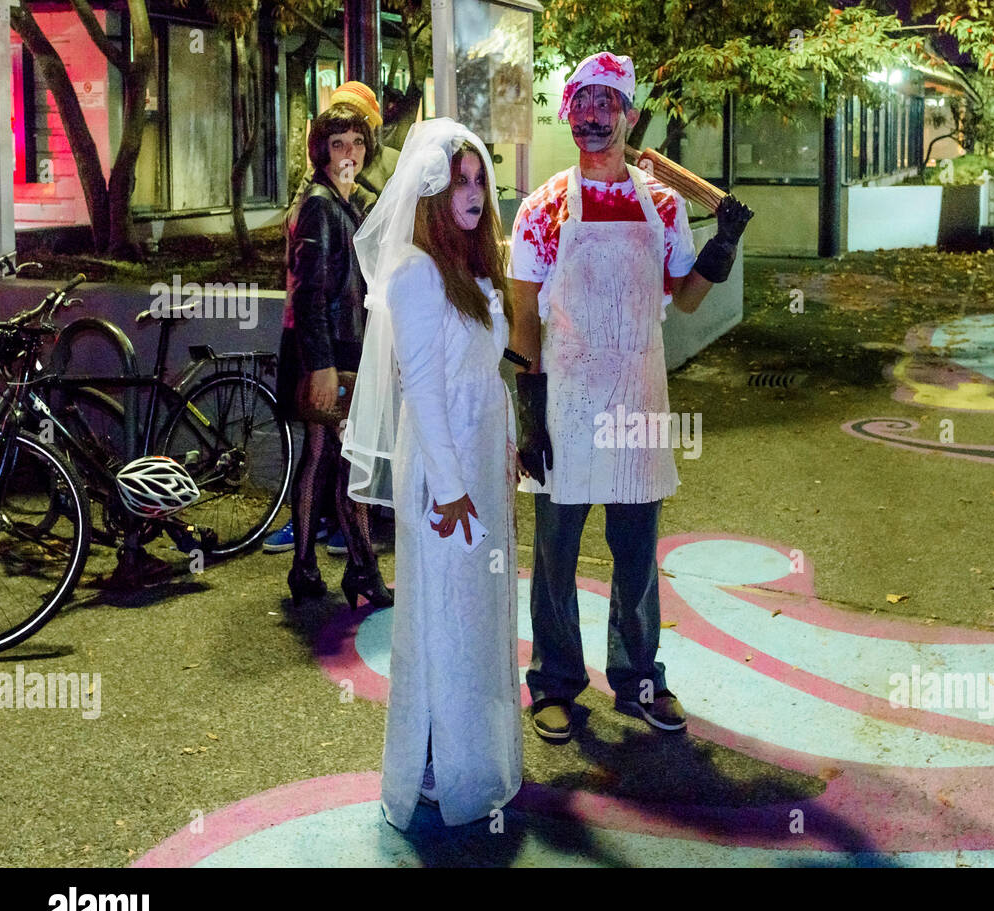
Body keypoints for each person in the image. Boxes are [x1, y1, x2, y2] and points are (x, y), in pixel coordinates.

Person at [508, 52, 753, 742]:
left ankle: (640, 676)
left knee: (637, 550)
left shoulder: (667, 204)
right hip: (567, 396)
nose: (590, 117)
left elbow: (686, 295)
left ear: (626, 113)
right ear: (569, 115)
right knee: (556, 551)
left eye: (603, 104)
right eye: (579, 104)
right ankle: (555, 682)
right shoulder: (542, 209)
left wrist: (722, 248)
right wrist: (529, 414)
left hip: (639, 396)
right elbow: (525, 316)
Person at [342, 118, 523, 828]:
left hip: (478, 461)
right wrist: (450, 491)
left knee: (474, 617)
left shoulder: (475, 269)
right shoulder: (416, 273)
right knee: (442, 616)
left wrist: (503, 450)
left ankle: (466, 758)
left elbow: (483, 374)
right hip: (444, 476)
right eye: (458, 183)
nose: (473, 194)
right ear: (430, 194)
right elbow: (422, 386)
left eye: (479, 180)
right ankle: (433, 764)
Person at [266, 81, 400, 554]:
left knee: (326, 456)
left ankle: (309, 562)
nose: (350, 152)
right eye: (339, 143)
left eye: (358, 141)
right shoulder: (321, 204)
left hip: (337, 345)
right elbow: (309, 294)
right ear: (322, 149)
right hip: (326, 350)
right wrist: (322, 366)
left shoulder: (345, 198)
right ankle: (358, 563)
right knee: (339, 458)